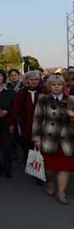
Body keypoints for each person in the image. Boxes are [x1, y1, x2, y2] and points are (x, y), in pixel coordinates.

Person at [32, 74, 74, 204]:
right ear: (49, 86)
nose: (56, 87)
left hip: (67, 137)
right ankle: (50, 183)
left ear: (64, 86)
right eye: (54, 84)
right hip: (48, 137)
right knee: (50, 167)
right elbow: (37, 119)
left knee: (65, 166)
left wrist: (72, 116)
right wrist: (36, 138)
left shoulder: (71, 99)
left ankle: (61, 193)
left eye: (59, 84)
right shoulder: (43, 100)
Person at [10, 70, 42, 167]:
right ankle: (29, 164)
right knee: (27, 145)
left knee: (40, 146)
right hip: (26, 123)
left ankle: (39, 167)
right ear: (27, 80)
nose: (34, 81)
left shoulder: (44, 91)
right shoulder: (22, 92)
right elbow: (15, 109)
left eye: (36, 79)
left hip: (41, 124)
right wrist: (12, 123)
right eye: (31, 79)